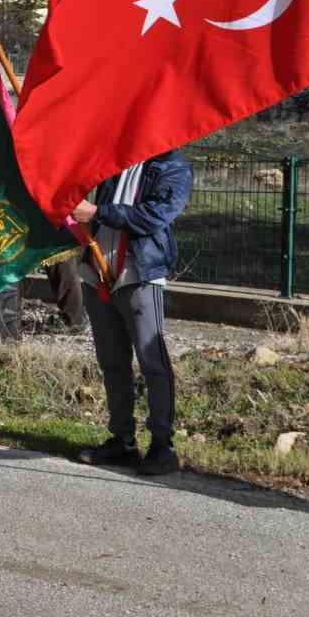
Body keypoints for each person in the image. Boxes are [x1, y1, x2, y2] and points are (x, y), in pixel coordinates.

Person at [70, 150, 194, 476]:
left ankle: (162, 446)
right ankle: (122, 440)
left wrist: (96, 211)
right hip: (99, 271)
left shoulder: (173, 167)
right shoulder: (113, 160)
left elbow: (154, 217)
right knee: (112, 361)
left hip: (139, 274)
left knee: (153, 363)